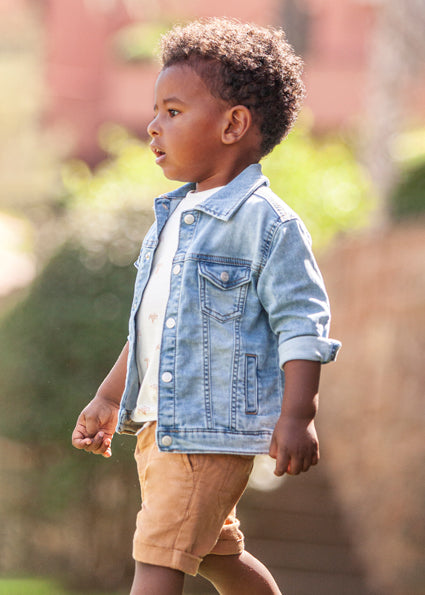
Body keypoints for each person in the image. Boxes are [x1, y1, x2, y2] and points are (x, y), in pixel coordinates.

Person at [72, 17, 340, 595]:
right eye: (156, 110)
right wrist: (109, 395)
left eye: (172, 111)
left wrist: (299, 416)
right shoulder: (170, 218)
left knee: (156, 560)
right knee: (219, 555)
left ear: (233, 124)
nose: (151, 126)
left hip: (207, 435)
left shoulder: (268, 224)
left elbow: (303, 324)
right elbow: (152, 323)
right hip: (161, 429)